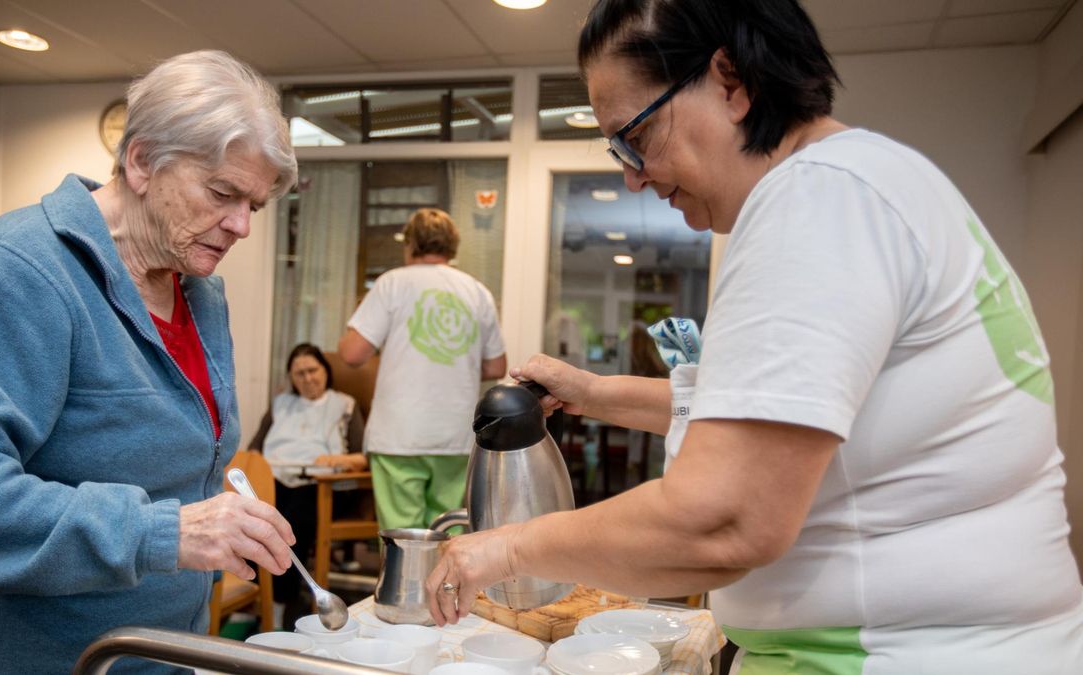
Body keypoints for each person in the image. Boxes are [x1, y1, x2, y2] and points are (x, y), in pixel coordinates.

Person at [425, 1, 1083, 672]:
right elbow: (768, 413)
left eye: (634, 137)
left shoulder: (817, 202)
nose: (633, 174)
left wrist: (505, 547)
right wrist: (592, 392)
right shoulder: (869, 179)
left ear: (729, 82)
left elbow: (724, 515)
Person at [0, 50, 299, 674]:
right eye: (222, 193)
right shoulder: (17, 272)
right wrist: (164, 534)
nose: (240, 225)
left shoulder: (197, 287)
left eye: (255, 206)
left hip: (141, 655)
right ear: (140, 161)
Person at [339, 208, 507, 532]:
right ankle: (449, 586)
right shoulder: (477, 292)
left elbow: (351, 354)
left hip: (399, 434)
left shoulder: (392, 283)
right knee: (448, 532)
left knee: (402, 536)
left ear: (410, 244)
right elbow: (496, 365)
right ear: (452, 246)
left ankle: (406, 585)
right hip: (455, 434)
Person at [245, 342, 366, 630]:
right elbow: (254, 449)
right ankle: (250, 595)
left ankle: (276, 603)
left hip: (322, 485)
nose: (307, 378)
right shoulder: (281, 405)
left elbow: (363, 457)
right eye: (299, 374)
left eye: (313, 370)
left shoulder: (344, 404)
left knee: (289, 521)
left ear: (325, 370)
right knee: (252, 515)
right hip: (277, 480)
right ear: (291, 377)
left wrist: (335, 459)